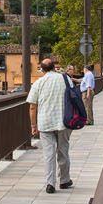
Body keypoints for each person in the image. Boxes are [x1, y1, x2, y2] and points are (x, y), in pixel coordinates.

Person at [27, 57, 74, 194]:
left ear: (41, 69)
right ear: (54, 67)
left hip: (45, 122)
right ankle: (64, 180)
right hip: (64, 121)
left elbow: (32, 106)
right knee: (63, 151)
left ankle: (50, 184)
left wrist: (33, 125)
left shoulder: (38, 83)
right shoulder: (66, 79)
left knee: (48, 154)